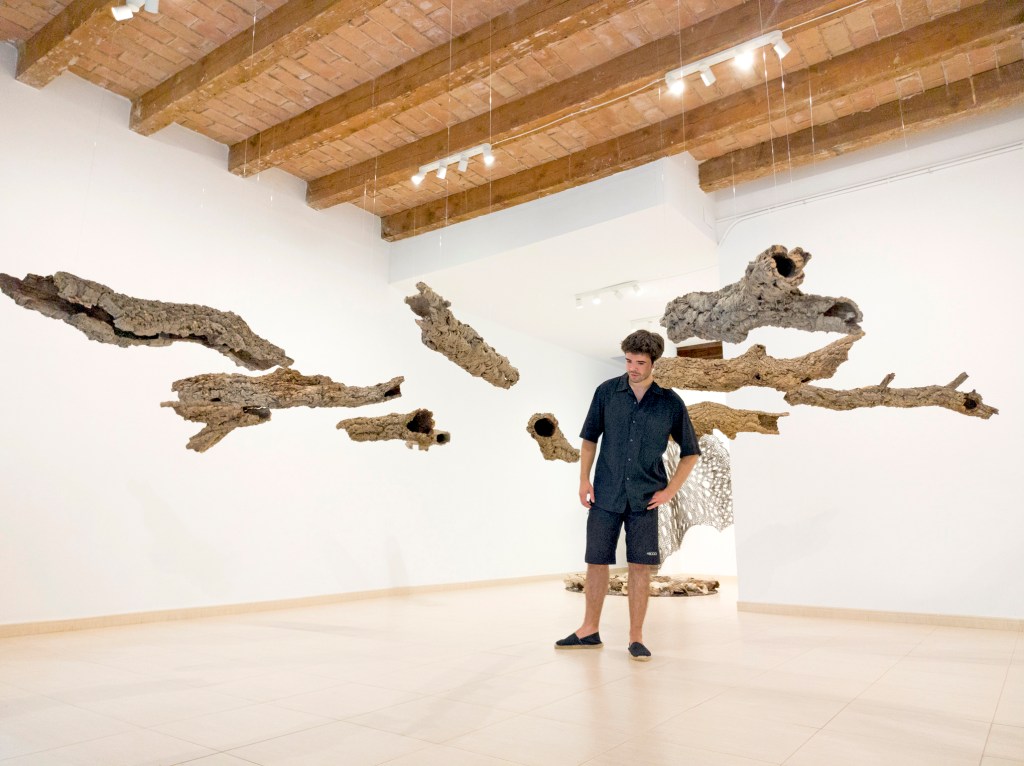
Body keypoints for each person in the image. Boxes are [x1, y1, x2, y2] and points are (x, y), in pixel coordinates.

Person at [556, 330, 701, 661]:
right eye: (628, 361)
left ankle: (636, 637)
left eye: (640, 363)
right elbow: (590, 439)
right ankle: (588, 630)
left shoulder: (670, 403)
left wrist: (670, 491)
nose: (632, 368)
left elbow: (690, 453)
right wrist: (583, 479)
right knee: (596, 562)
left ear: (653, 364)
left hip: (645, 499)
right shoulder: (606, 392)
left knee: (639, 567)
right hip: (605, 494)